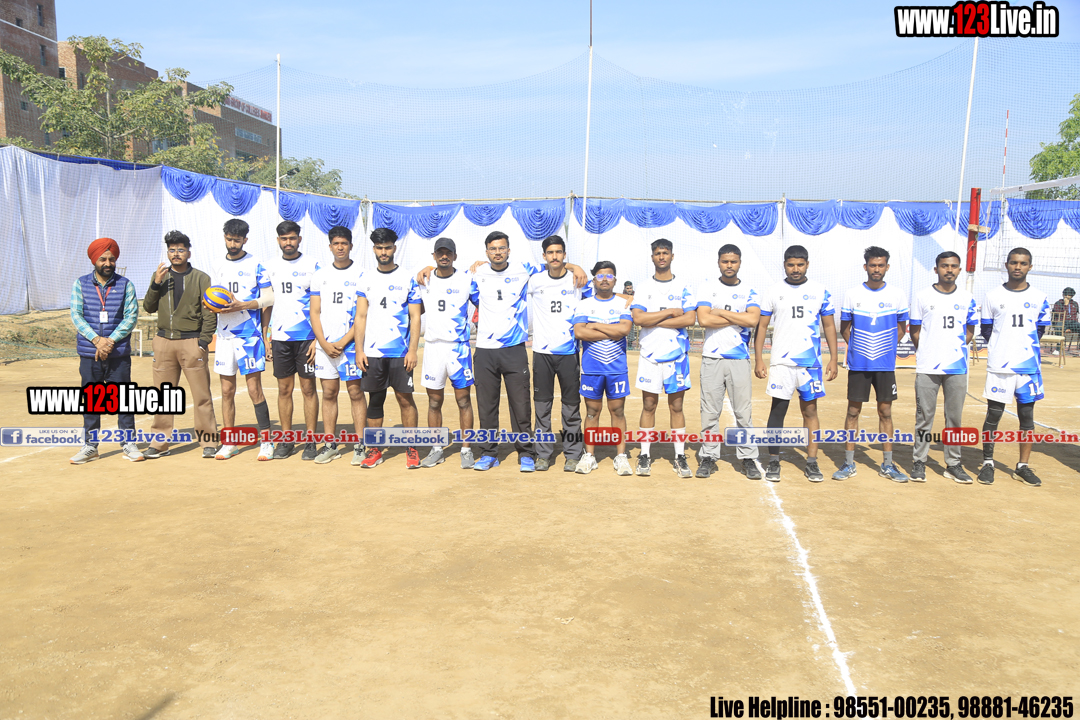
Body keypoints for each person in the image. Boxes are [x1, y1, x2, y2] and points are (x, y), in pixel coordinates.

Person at [419, 231, 586, 472]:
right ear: (486, 252)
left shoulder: (524, 269)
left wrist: (575, 266)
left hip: (514, 349)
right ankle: (489, 453)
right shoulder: (475, 274)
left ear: (508, 250)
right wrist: (428, 267)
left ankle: (526, 453)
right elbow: (446, 274)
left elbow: (554, 263)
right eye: (493, 248)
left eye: (502, 248)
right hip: (485, 351)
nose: (497, 252)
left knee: (521, 406)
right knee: (487, 407)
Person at [753, 245, 838, 482]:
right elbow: (761, 326)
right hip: (782, 362)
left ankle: (812, 462)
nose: (796, 269)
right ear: (784, 265)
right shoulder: (773, 291)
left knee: (810, 410)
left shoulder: (820, 291)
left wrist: (834, 358)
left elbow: (829, 326)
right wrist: (759, 358)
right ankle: (773, 460)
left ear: (807, 264)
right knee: (778, 410)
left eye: (800, 264)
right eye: (791, 265)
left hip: (810, 363)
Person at [140, 230, 218, 460]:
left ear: (188, 253)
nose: (176, 254)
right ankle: (159, 443)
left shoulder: (201, 278)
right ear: (168, 253)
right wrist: (156, 283)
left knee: (201, 395)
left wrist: (203, 341)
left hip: (192, 342)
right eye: (172, 250)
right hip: (164, 342)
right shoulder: (161, 276)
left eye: (180, 250)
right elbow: (148, 307)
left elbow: (209, 311)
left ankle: (209, 441)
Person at [834, 246, 910, 483]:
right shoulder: (852, 294)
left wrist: (885, 348)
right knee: (853, 411)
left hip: (885, 365)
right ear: (865, 266)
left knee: (885, 412)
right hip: (859, 365)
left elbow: (902, 327)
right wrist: (860, 348)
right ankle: (848, 463)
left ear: (887, 267)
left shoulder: (897, 294)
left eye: (881, 265)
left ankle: (887, 464)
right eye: (873, 265)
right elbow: (845, 328)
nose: (877, 269)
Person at [978, 247, 1050, 487]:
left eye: (1023, 263)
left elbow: (1040, 330)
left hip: (1028, 368)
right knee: (993, 415)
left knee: (1027, 416)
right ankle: (988, 463)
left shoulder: (1040, 297)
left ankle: (1022, 467)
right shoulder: (992, 296)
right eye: (1013, 262)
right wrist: (1004, 350)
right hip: (1000, 367)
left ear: (1030, 266)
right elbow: (987, 330)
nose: (1018, 267)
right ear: (1007, 265)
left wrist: (1021, 351)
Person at [354, 227, 423, 469]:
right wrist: (359, 350)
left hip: (400, 353)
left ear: (394, 248)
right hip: (372, 353)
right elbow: (360, 316)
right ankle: (375, 450)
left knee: (405, 399)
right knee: (375, 400)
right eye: (379, 248)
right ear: (374, 249)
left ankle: (411, 448)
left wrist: (413, 350)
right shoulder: (365, 279)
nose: (384, 252)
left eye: (387, 247)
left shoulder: (407, 278)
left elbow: (415, 317)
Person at [69, 237, 142, 464]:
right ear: (94, 260)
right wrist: (96, 340)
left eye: (111, 259)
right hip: (90, 353)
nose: (108, 263)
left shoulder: (126, 285)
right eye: (102, 259)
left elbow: (131, 317)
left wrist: (109, 341)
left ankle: (129, 443)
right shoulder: (80, 284)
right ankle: (90, 446)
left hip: (118, 353)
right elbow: (76, 315)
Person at [210, 218, 275, 461]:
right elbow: (214, 296)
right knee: (227, 390)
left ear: (245, 240)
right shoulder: (217, 264)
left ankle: (266, 442)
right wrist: (211, 306)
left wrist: (242, 305)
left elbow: (269, 298)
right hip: (224, 335)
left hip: (249, 336)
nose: (232, 244)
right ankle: (229, 443)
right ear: (224, 237)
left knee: (254, 389)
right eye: (229, 239)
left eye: (237, 240)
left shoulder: (257, 265)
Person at [908, 251, 977, 483]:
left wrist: (952, 350)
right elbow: (915, 331)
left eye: (954, 266)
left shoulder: (967, 298)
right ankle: (919, 461)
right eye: (945, 266)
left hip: (956, 367)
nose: (949, 270)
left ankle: (953, 464)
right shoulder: (922, 296)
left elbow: (970, 331)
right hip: (928, 367)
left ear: (959, 270)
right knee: (924, 417)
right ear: (936, 269)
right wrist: (929, 351)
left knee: (954, 418)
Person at [694, 244, 761, 479]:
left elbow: (752, 320)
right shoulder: (707, 287)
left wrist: (720, 312)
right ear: (719, 262)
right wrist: (738, 318)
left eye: (733, 261)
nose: (729, 265)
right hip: (712, 358)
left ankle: (748, 457)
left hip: (739, 358)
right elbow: (703, 320)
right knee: (709, 412)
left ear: (739, 262)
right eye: (725, 261)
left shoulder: (750, 291)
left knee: (743, 412)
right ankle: (709, 456)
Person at [630, 239, 696, 477]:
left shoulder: (684, 287)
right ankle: (644, 455)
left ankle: (679, 456)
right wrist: (669, 313)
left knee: (676, 406)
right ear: (652, 257)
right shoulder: (643, 287)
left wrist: (654, 319)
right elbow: (638, 319)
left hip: (677, 356)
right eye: (657, 253)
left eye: (665, 253)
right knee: (649, 405)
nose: (661, 257)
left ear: (672, 256)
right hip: (650, 355)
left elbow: (689, 319)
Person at [527, 235, 591, 472]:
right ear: (544, 256)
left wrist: (577, 267)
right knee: (542, 408)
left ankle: (573, 454)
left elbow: (604, 294)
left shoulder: (577, 280)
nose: (554, 256)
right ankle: (543, 455)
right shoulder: (535, 280)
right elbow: (506, 271)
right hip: (542, 353)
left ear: (564, 254)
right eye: (550, 253)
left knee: (571, 407)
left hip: (568, 353)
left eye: (559, 252)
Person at [416, 237, 477, 469]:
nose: (444, 256)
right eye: (440, 253)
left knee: (463, 400)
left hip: (458, 348)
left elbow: (485, 302)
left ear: (455, 256)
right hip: (433, 347)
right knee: (434, 401)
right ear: (433, 256)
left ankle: (466, 449)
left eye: (448, 253)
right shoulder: (424, 280)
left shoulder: (467, 280)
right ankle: (436, 449)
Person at [309, 226, 367, 464]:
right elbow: (314, 312)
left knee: (355, 393)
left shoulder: (362, 275)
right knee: (329, 393)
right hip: (325, 346)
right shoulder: (320, 275)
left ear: (351, 245)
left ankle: (361, 445)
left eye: (344, 243)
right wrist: (323, 343)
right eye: (336, 243)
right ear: (330, 246)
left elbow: (363, 315)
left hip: (350, 346)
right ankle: (330, 444)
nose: (340, 247)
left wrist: (343, 341)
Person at [264, 220, 320, 461]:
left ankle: (311, 441)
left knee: (308, 389)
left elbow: (320, 304)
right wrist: (266, 336)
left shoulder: (313, 266)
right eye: (284, 238)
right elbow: (267, 304)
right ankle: (286, 440)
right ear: (278, 240)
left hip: (307, 338)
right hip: (280, 338)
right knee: (284, 389)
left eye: (292, 238)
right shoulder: (269, 267)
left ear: (299, 239)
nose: (288, 242)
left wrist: (318, 339)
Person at [571, 261, 633, 475]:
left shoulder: (623, 304)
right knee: (591, 412)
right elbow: (580, 333)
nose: (604, 279)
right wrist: (611, 329)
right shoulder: (584, 304)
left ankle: (621, 456)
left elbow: (624, 331)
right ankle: (589, 456)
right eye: (600, 276)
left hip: (617, 369)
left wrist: (595, 325)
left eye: (609, 275)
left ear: (615, 280)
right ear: (594, 280)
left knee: (618, 411)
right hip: (592, 369)